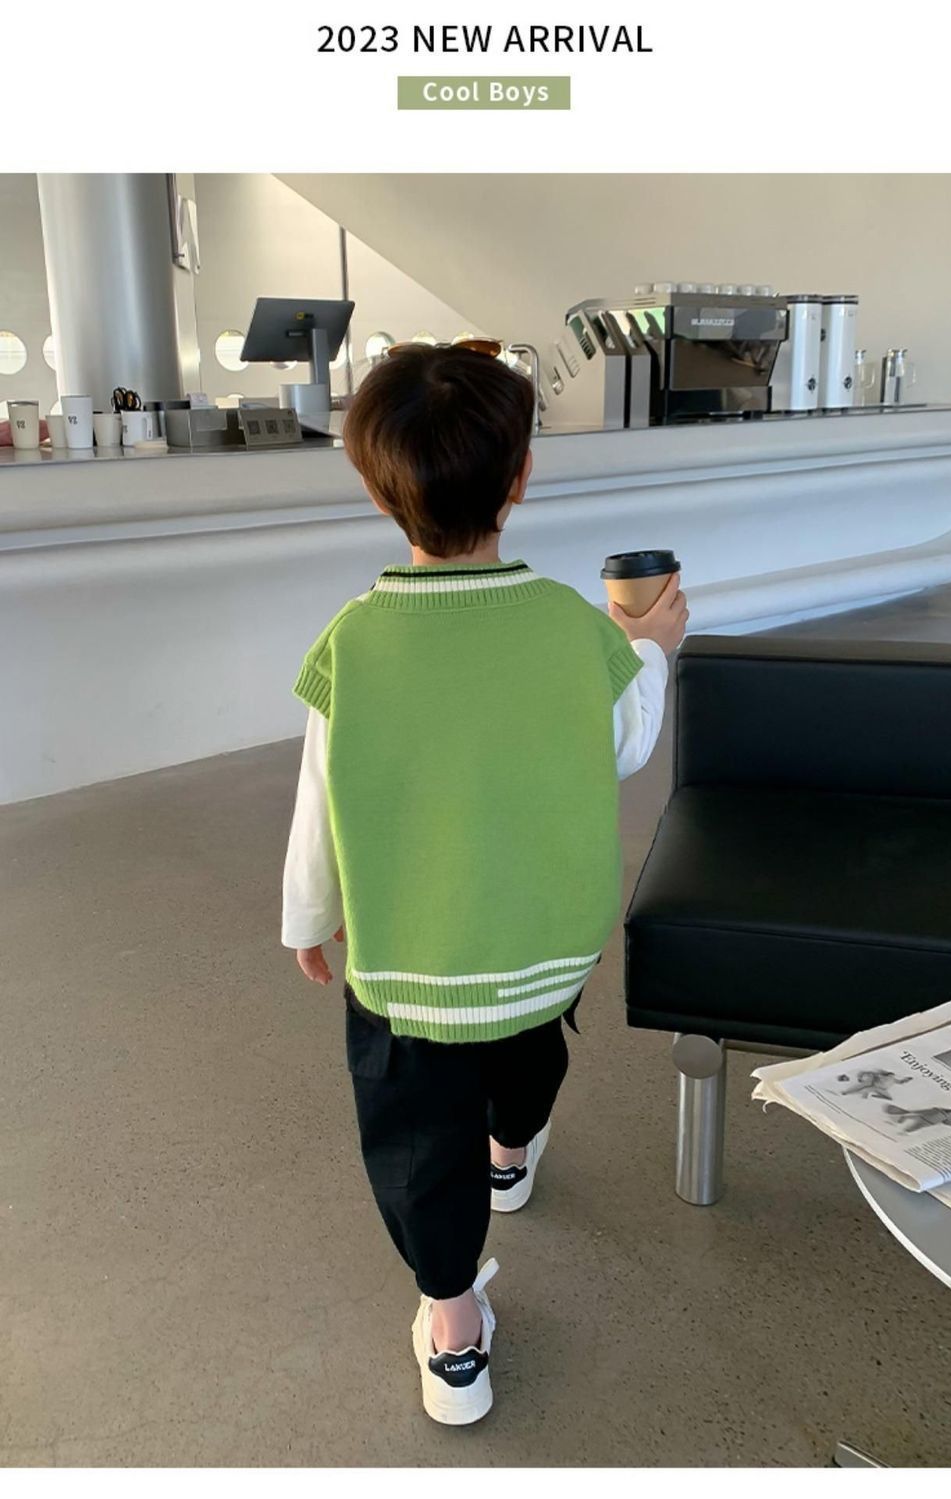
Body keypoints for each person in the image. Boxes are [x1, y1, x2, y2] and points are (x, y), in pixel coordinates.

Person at [281, 344, 687, 1425]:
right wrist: (648, 645)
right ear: (520, 477)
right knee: (526, 1055)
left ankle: (454, 1333)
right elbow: (625, 744)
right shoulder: (568, 623)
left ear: (377, 489)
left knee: (417, 1142)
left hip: (408, 960)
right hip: (539, 945)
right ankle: (511, 1153)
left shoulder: (354, 642)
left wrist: (308, 915)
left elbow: (319, 797)